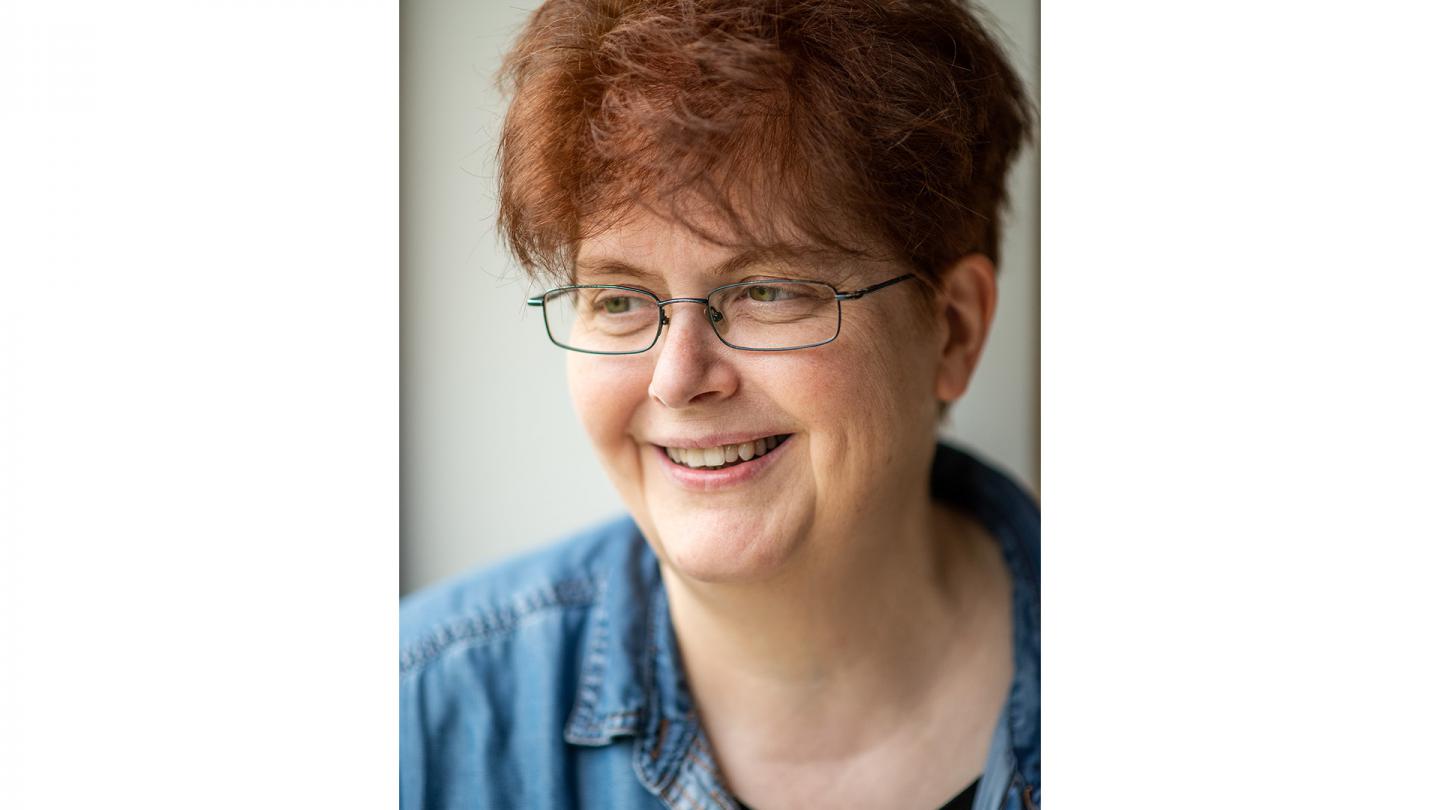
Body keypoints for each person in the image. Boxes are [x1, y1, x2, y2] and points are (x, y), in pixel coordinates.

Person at [400, 1, 1037, 807]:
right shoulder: (416, 716)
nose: (676, 379)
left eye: (767, 290)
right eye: (620, 299)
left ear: (952, 332)